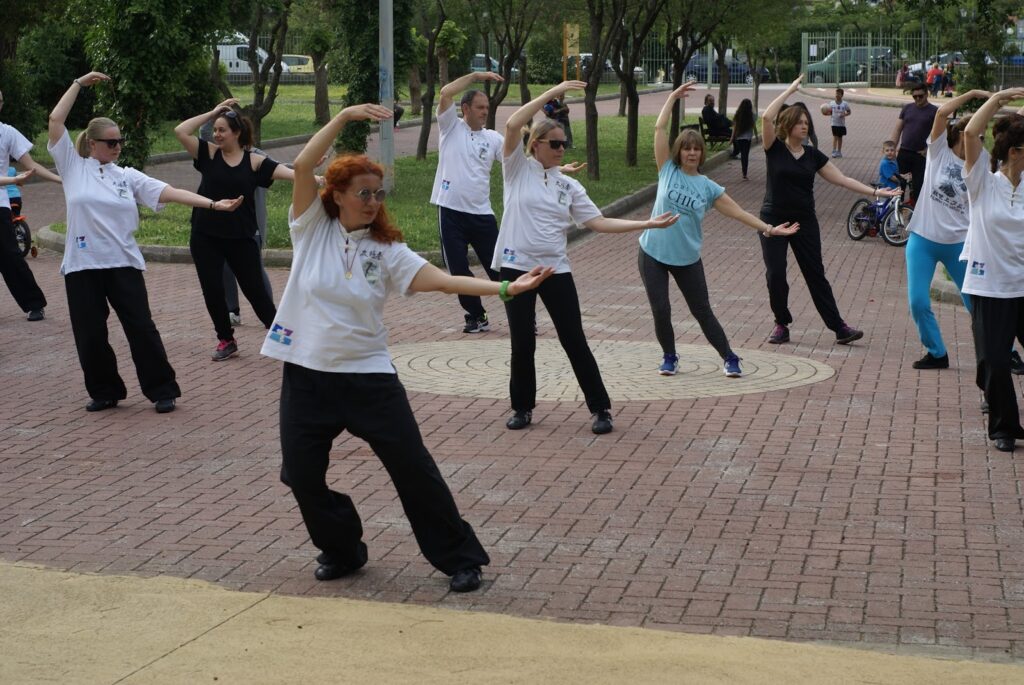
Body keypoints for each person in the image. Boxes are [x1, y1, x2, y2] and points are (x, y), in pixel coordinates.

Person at [261, 102, 553, 592]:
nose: (373, 201)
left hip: (368, 377)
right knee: (301, 476)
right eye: (363, 193)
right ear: (336, 196)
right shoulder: (312, 228)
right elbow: (307, 165)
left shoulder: (388, 250)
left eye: (377, 193)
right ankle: (342, 548)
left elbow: (442, 280)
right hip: (307, 374)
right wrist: (345, 118)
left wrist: (505, 289)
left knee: (413, 469)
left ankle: (460, 557)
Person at [47, 72, 243, 413]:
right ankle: (105, 391)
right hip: (83, 266)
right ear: (92, 145)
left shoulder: (128, 176)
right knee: (90, 334)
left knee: (141, 328)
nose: (118, 146)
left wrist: (213, 204)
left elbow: (170, 192)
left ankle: (162, 389)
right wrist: (78, 84)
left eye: (120, 141)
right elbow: (55, 119)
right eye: (111, 142)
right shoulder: (73, 167)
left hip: (122, 263)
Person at [494, 80, 679, 435]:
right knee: (523, 341)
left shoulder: (569, 185)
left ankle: (601, 409)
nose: (562, 149)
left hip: (556, 269)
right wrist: (554, 92)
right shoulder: (517, 169)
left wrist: (647, 222)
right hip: (516, 267)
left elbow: (598, 222)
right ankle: (522, 407)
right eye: (556, 144)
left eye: (565, 144)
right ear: (536, 145)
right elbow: (513, 125)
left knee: (574, 339)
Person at [642, 83, 798, 379]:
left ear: (701, 154)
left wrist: (768, 228)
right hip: (652, 252)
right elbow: (659, 129)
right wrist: (673, 98)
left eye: (696, 149)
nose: (691, 153)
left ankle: (729, 356)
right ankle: (669, 356)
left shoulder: (708, 187)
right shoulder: (667, 170)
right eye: (686, 148)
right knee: (661, 310)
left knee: (702, 311)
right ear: (679, 151)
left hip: (687, 257)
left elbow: (737, 212)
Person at [758, 75, 900, 346]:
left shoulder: (813, 156)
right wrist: (790, 89)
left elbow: (842, 179)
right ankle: (781, 323)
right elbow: (766, 118)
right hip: (773, 220)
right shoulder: (773, 149)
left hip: (804, 221)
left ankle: (839, 327)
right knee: (776, 273)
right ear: (788, 124)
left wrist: (875, 192)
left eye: (806, 123)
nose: (804, 126)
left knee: (815, 274)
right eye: (799, 123)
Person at [174, 99, 296, 361]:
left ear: (237, 133)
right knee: (213, 290)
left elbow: (286, 173)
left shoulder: (254, 160)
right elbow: (181, 131)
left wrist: (315, 177)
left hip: (240, 236)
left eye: (222, 130)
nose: (216, 134)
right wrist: (213, 111)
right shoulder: (207, 154)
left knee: (256, 291)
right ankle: (225, 339)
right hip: (205, 235)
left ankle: (282, 338)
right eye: (215, 130)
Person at [904, 89, 993, 371]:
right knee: (918, 302)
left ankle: (1002, 352)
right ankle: (936, 353)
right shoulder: (938, 152)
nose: (978, 142)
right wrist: (975, 94)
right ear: (959, 136)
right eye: (974, 136)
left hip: (960, 245)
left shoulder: (983, 162)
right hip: (922, 240)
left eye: (981, 138)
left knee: (976, 306)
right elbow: (941, 113)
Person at [961, 88, 1024, 452]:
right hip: (991, 288)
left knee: (996, 362)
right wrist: (997, 99)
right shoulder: (983, 184)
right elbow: (971, 134)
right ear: (1015, 153)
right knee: (997, 363)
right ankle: (1004, 428)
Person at [429, 71, 506, 334]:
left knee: (499, 268)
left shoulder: (494, 139)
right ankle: (476, 315)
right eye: (480, 107)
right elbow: (445, 93)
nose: (485, 112)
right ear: (465, 109)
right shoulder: (450, 128)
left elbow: (518, 163)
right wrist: (475, 75)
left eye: (487, 108)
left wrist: (553, 168)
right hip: (450, 212)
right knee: (459, 271)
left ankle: (521, 314)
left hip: (482, 215)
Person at [0, 88, 62, 322]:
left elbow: (31, 164)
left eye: (0, 101)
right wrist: (14, 180)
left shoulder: (7, 133)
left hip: (1, 205)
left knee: (9, 255)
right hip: (7, 186)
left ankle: (34, 303)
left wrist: (60, 179)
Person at [891, 82, 938, 204]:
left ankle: (915, 215)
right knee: (898, 184)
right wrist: (891, 148)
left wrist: (928, 150)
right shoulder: (907, 108)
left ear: (927, 94)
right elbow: (897, 129)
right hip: (904, 152)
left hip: (920, 155)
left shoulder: (935, 111)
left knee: (918, 187)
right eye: (914, 96)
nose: (917, 99)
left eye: (920, 96)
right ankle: (896, 211)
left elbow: (939, 135)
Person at [729, 98, 756, 180]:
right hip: (747, 138)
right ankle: (745, 173)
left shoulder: (738, 115)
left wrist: (731, 138)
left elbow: (735, 127)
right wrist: (757, 135)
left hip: (739, 138)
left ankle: (744, 172)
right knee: (745, 155)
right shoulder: (752, 115)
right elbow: (754, 126)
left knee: (743, 154)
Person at [824, 88, 852, 158]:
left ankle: (839, 151)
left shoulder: (845, 104)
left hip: (841, 124)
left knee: (840, 137)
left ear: (842, 95)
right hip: (834, 123)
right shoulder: (831, 103)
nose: (837, 95)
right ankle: (834, 151)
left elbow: (849, 112)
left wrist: (844, 114)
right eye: (836, 94)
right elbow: (830, 112)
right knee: (835, 137)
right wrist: (825, 113)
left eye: (839, 94)